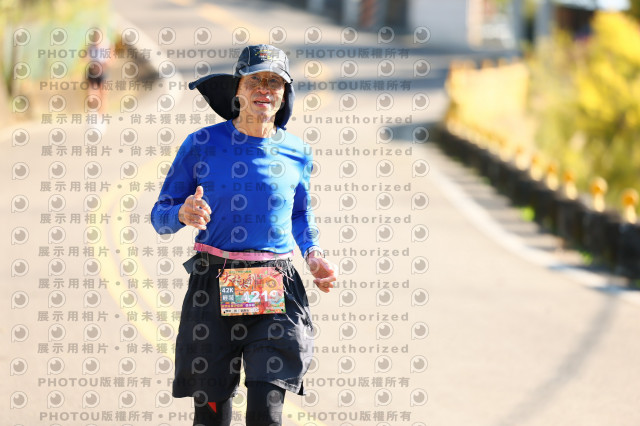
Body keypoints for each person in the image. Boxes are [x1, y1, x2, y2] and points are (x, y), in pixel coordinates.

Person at [150, 45, 337, 426]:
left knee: (267, 411)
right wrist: (181, 213)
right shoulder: (201, 144)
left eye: (274, 82)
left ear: (284, 94)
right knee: (211, 416)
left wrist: (313, 253)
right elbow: (160, 215)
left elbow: (299, 212)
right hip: (212, 285)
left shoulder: (297, 151)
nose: (265, 89)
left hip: (275, 287)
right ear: (237, 89)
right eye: (255, 80)